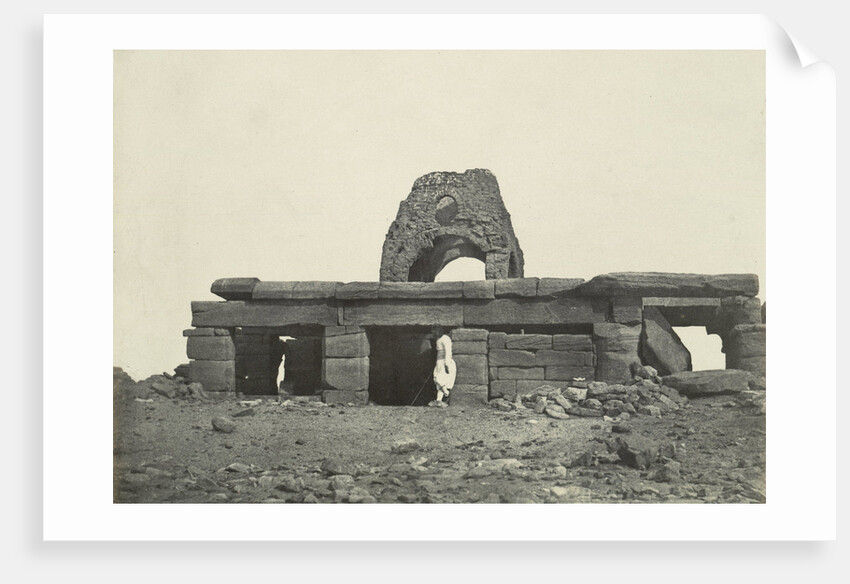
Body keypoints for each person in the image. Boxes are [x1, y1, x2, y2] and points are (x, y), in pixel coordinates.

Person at [429, 327, 457, 408]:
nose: (433, 333)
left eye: (434, 331)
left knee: (439, 379)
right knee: (436, 379)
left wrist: (447, 363)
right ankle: (439, 400)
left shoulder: (445, 338)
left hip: (444, 362)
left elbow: (448, 351)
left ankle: (446, 392)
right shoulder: (438, 339)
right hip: (439, 362)